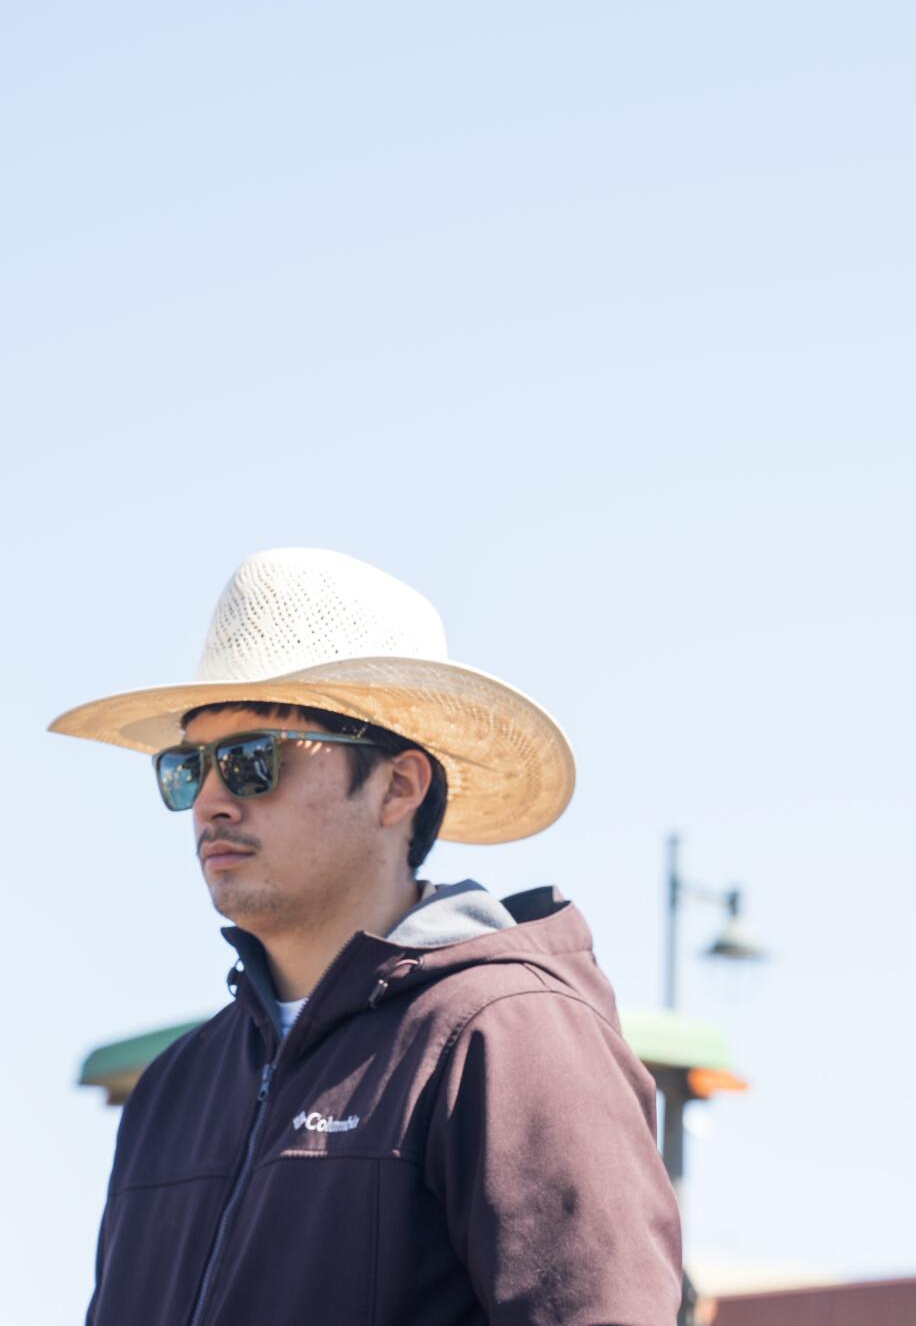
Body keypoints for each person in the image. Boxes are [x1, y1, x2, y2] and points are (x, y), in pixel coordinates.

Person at [55, 547, 684, 1325]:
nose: (211, 798)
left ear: (398, 786)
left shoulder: (507, 1033)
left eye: (254, 760)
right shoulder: (174, 1088)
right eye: (189, 766)